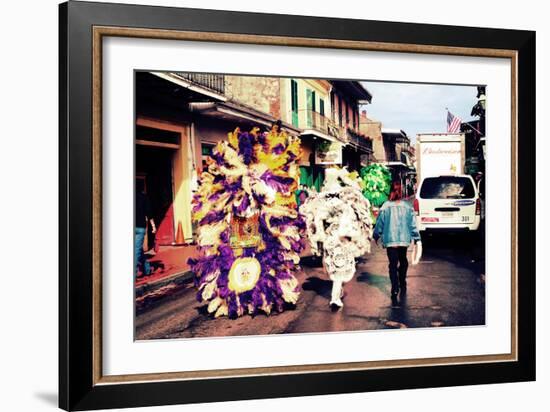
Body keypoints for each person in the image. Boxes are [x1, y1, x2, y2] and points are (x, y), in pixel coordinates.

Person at [373, 181, 421, 306]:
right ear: (402, 192)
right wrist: (417, 238)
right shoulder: (407, 206)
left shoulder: (385, 206)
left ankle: (395, 288)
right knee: (403, 260)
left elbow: (380, 223)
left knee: (392, 264)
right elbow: (412, 224)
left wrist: (376, 235)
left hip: (390, 239)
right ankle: (402, 280)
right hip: (404, 239)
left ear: (390, 192)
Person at [135, 179, 156, 277]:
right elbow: (149, 213)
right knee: (137, 249)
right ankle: (147, 269)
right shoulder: (144, 198)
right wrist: (153, 226)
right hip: (140, 227)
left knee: (136, 249)